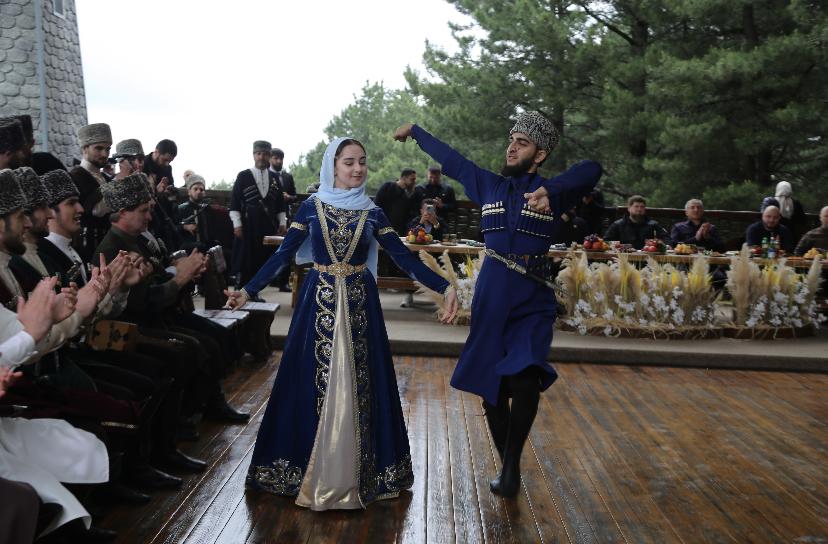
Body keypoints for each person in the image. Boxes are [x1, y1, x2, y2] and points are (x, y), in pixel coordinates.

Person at [225, 137, 458, 510]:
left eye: (362, 161)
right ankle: (304, 469)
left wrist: (444, 286)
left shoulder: (373, 212)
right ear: (332, 166)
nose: (358, 168)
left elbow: (404, 258)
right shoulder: (311, 207)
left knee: (363, 379)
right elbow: (283, 256)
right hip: (317, 304)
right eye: (349, 162)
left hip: (361, 305)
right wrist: (247, 290)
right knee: (307, 379)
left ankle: (359, 473)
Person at [393, 111, 602, 498]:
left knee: (526, 374)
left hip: (531, 295)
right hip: (491, 295)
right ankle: (508, 463)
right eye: (511, 140)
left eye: (522, 143)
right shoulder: (489, 185)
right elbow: (453, 160)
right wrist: (417, 132)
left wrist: (551, 191)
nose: (512, 147)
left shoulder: (552, 192)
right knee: (490, 386)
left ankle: (511, 463)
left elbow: (592, 168)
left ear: (540, 154)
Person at [230, 140, 287, 287]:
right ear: (254, 155)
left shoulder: (274, 178)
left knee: (262, 259)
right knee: (246, 259)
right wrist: (237, 224)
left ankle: (254, 291)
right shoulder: (243, 176)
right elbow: (235, 202)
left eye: (265, 154)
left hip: (267, 225)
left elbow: (280, 204)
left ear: (269, 156)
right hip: (248, 224)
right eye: (258, 153)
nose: (261, 157)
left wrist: (282, 222)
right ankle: (242, 289)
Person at [70, 122, 114, 262]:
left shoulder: (106, 178)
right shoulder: (76, 176)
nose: (105, 154)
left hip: (109, 245)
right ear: (85, 148)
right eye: (99, 148)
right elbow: (97, 210)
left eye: (107, 149)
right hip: (89, 248)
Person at [604, 195, 671, 249]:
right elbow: (607, 241)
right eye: (636, 206)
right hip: (624, 258)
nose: (639, 209)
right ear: (629, 208)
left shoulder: (653, 225)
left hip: (649, 258)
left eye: (642, 207)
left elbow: (667, 239)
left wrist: (662, 244)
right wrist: (619, 246)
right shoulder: (618, 225)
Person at [374, 168, 421, 235]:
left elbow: (406, 217)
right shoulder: (387, 187)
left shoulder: (406, 196)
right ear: (404, 178)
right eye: (412, 179)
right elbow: (376, 207)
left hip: (397, 233)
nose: (414, 182)